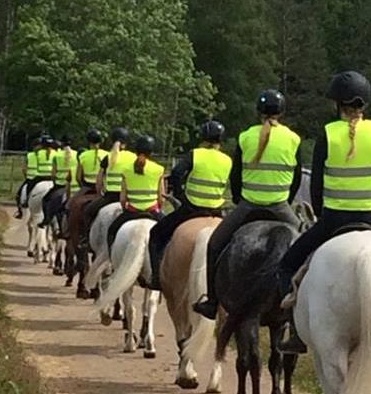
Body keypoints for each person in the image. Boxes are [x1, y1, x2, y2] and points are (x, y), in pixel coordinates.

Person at [276, 70, 371, 354]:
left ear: (337, 104)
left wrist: (319, 215)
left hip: (333, 219)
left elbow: (316, 183)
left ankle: (293, 329)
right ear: (364, 104)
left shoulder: (328, 134)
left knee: (286, 265)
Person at [193, 90, 302, 320]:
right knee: (306, 249)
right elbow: (297, 176)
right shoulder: (293, 139)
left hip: (249, 205)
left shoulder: (245, 137)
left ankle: (212, 301)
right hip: (281, 207)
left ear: (258, 112)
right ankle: (299, 306)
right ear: (282, 112)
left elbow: (236, 175)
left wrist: (238, 198)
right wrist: (285, 199)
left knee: (214, 244)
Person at [148, 119, 232, 289]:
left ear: (203, 137)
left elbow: (177, 173)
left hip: (191, 209)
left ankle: (156, 278)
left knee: (156, 234)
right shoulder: (227, 160)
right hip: (216, 210)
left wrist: (181, 196)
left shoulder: (195, 154)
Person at [79, 126, 134, 248]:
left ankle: (85, 239)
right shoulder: (133, 157)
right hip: (128, 198)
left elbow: (99, 181)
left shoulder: (108, 157)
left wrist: (99, 194)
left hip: (110, 197)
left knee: (88, 212)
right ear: (126, 142)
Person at [106, 135, 164, 251]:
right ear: (151, 152)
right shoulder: (158, 169)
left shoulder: (126, 170)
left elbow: (123, 199)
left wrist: (125, 209)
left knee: (111, 232)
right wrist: (159, 208)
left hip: (132, 211)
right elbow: (161, 198)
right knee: (169, 234)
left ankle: (111, 260)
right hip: (152, 211)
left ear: (136, 150)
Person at [39, 136, 77, 228]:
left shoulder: (57, 155)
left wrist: (54, 181)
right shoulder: (76, 154)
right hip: (73, 185)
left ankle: (46, 219)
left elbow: (53, 174)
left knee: (45, 199)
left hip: (60, 185)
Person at [24, 134, 56, 203]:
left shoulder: (38, 153)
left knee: (30, 186)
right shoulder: (55, 153)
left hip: (41, 176)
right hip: (51, 177)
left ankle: (26, 200)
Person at [14, 138, 40, 218]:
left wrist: (26, 176)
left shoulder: (29, 155)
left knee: (18, 195)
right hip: (45, 178)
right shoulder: (45, 155)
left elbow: (24, 169)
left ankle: (20, 212)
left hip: (31, 179)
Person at [76, 128, 107, 193]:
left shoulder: (83, 155)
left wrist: (82, 188)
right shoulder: (106, 154)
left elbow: (78, 178)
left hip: (87, 187)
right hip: (102, 188)